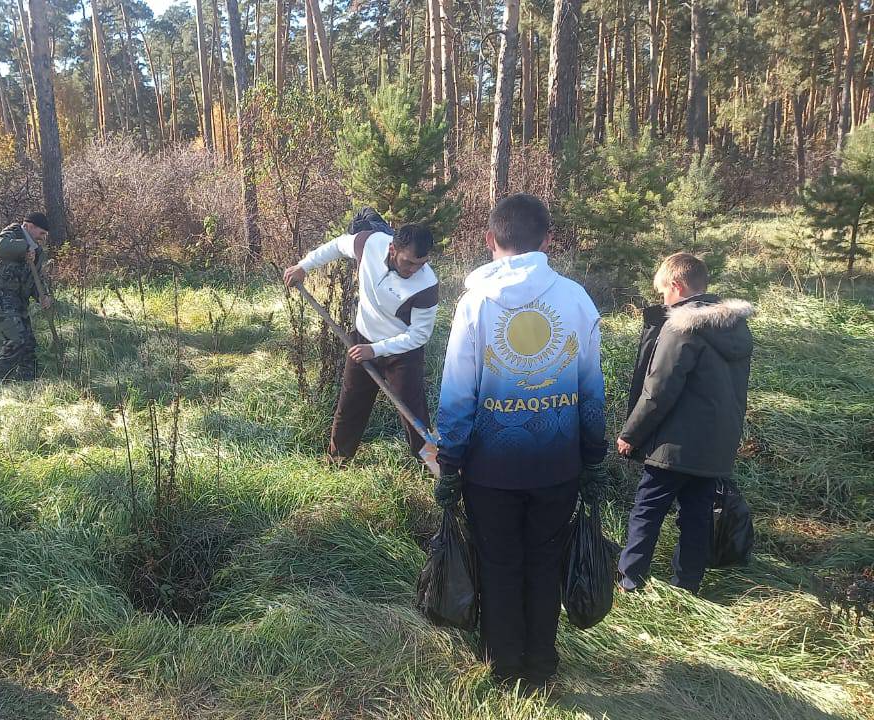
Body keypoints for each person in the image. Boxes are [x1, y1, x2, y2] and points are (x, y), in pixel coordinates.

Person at [433, 193, 607, 691]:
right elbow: (591, 388)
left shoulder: (475, 303)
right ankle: (541, 664)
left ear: (490, 240)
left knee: (498, 563)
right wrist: (593, 457)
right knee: (545, 561)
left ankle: (503, 663)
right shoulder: (576, 299)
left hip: (490, 472)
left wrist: (450, 462)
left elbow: (457, 393)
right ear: (548, 240)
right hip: (558, 466)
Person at [616, 253, 754, 594]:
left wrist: (631, 434)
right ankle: (687, 586)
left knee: (647, 510)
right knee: (697, 515)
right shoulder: (736, 327)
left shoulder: (681, 327)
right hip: (717, 443)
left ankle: (630, 580)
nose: (663, 300)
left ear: (676, 285)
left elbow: (659, 390)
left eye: (664, 292)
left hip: (674, 446)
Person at [283, 212, 439, 465]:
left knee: (413, 411)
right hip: (363, 340)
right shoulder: (369, 243)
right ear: (392, 249)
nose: (414, 270)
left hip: (402, 353)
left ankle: (431, 466)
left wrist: (375, 350)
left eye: (421, 263)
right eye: (409, 262)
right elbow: (337, 246)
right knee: (351, 402)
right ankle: (337, 460)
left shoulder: (427, 285)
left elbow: (419, 335)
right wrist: (303, 266)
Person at [0, 212, 53, 381]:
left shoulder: (38, 251)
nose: (43, 237)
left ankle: (28, 381)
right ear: (29, 226)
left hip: (19, 302)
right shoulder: (12, 233)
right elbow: (0, 248)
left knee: (29, 343)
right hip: (1, 299)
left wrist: (43, 296)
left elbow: (35, 279)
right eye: (41, 233)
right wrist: (24, 248)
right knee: (16, 339)